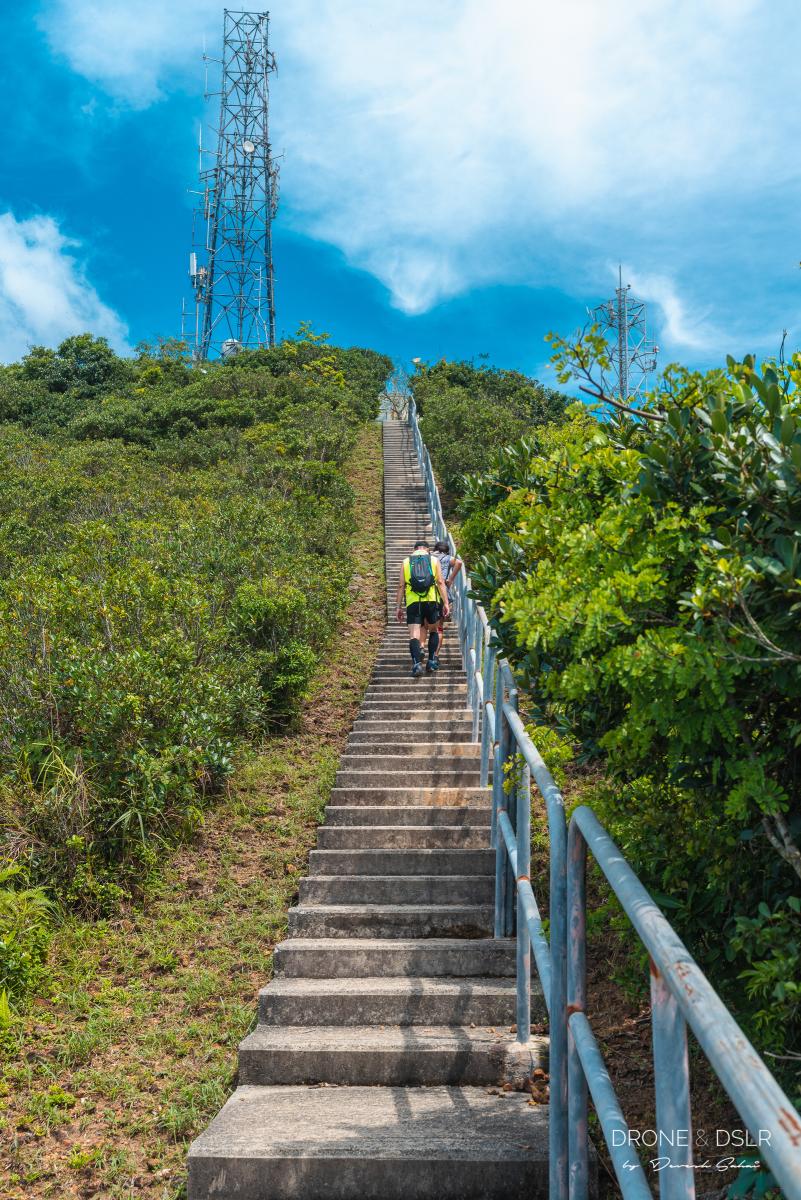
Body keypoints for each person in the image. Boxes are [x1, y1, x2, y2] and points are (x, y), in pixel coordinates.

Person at [395, 540, 450, 677]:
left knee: (414, 634)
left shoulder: (406, 561)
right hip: (432, 600)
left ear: (414, 550)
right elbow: (440, 582)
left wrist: (398, 607)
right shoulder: (433, 560)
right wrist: (446, 603)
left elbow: (401, 585)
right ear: (428, 549)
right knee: (433, 630)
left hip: (413, 602)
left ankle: (416, 665)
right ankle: (431, 661)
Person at [431, 539, 463, 654]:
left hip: (426, 593)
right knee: (439, 627)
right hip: (441, 592)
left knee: (424, 627)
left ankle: (421, 648)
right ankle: (435, 655)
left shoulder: (429, 556)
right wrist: (450, 579)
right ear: (447, 551)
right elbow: (459, 563)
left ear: (435, 549)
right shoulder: (447, 558)